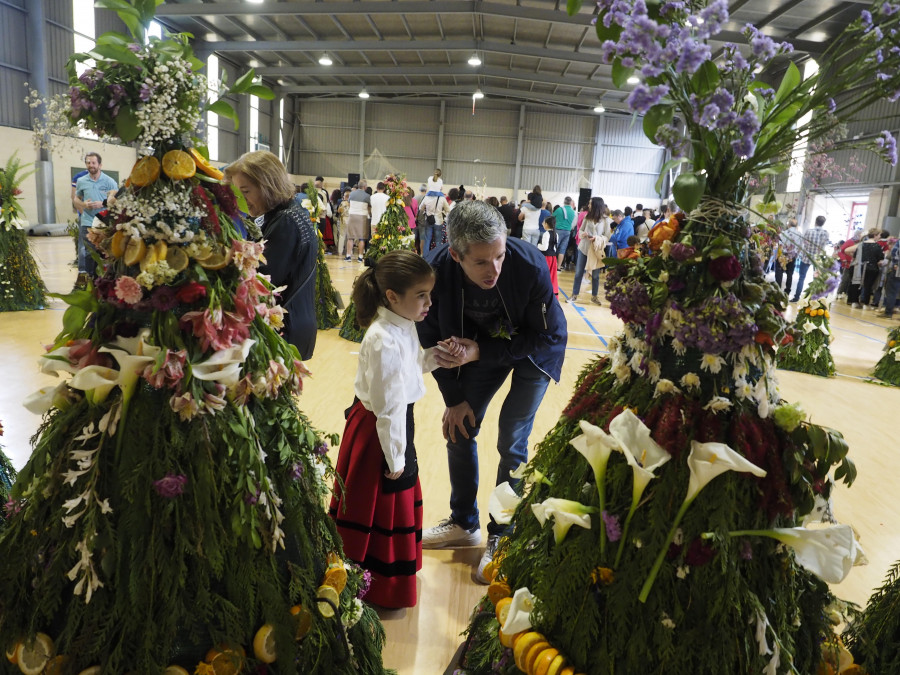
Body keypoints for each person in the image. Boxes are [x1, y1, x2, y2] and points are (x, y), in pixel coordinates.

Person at [416, 200, 567, 583]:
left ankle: (501, 534)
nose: (494, 269)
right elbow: (430, 338)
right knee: (459, 428)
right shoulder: (435, 273)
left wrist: (481, 350)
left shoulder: (530, 266)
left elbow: (543, 334)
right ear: (455, 254)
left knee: (512, 440)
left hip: (534, 350)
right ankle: (463, 522)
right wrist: (453, 399)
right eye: (481, 262)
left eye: (499, 256)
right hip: (475, 352)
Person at [328, 251, 465, 608]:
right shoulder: (382, 339)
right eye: (421, 295)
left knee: (389, 502)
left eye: (429, 294)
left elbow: (409, 369)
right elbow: (388, 408)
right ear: (392, 296)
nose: (428, 303)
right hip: (379, 433)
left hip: (391, 425)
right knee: (383, 501)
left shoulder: (401, 325)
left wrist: (436, 356)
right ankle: (372, 584)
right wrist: (396, 458)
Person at [225, 151, 318, 360]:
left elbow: (262, 280)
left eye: (246, 192)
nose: (242, 201)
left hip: (286, 329)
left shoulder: (285, 222)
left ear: (267, 186)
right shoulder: (290, 214)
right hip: (296, 322)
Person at [72, 152, 118, 286]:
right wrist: (83, 205)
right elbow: (76, 199)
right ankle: (88, 280)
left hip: (104, 221)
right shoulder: (81, 181)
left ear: (100, 165)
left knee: (104, 251)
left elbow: (115, 198)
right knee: (87, 251)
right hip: (87, 221)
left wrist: (102, 203)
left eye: (93, 163)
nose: (90, 165)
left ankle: (104, 280)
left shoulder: (109, 181)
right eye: (88, 163)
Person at [569, 197, 610, 305]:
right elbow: (581, 229)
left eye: (591, 203)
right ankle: (574, 294)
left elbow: (607, 236)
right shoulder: (587, 216)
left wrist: (597, 238)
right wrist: (583, 234)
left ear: (596, 205)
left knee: (595, 275)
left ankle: (594, 296)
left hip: (596, 250)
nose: (589, 205)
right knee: (578, 273)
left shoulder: (605, 220)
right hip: (584, 248)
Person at [791, 215, 830, 301]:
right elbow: (824, 245)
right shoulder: (826, 233)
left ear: (815, 222)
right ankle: (814, 299)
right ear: (823, 223)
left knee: (801, 278)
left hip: (806, 256)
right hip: (818, 259)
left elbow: (803, 243)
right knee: (816, 279)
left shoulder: (809, 231)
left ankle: (796, 297)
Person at [847, 228, 884, 309]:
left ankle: (854, 301)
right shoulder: (877, 246)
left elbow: (855, 255)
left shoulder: (861, 244)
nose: (879, 237)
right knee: (868, 286)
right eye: (879, 235)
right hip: (872, 268)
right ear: (875, 235)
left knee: (856, 284)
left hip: (859, 267)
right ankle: (865, 303)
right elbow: (880, 258)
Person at [418, 188, 451, 253]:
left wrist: (427, 211)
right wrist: (442, 212)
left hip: (429, 220)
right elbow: (448, 210)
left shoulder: (427, 197)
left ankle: (426, 257)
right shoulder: (442, 198)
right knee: (438, 241)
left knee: (427, 240)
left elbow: (420, 208)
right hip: (439, 221)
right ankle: (437, 257)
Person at [775, 218, 802, 297]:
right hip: (792, 256)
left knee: (779, 273)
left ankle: (778, 289)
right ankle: (787, 291)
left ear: (788, 224)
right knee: (790, 274)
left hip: (783, 255)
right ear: (796, 225)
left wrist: (777, 255)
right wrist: (796, 255)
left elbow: (779, 245)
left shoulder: (783, 233)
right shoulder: (799, 234)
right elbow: (800, 247)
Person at [875, 237, 900, 318]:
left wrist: (896, 264)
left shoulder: (898, 244)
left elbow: (894, 253)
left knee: (891, 292)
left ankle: (888, 312)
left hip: (896, 271)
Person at [346, 180, 371, 262]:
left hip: (352, 216)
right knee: (361, 238)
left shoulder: (352, 193)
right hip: (362, 217)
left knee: (350, 237)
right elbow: (369, 208)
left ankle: (348, 256)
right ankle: (360, 257)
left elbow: (349, 204)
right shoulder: (367, 196)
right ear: (365, 187)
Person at [537, 215, 559, 295]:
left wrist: (538, 245)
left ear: (546, 224)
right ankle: (553, 292)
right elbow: (555, 248)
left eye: (543, 222)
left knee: (545, 275)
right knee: (553, 276)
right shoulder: (556, 234)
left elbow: (544, 248)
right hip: (553, 257)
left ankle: (543, 291)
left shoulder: (546, 234)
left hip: (547, 258)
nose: (542, 224)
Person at [552, 197, 576, 270]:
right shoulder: (573, 212)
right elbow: (573, 223)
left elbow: (552, 217)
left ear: (564, 202)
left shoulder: (559, 209)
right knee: (562, 249)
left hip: (558, 230)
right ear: (570, 202)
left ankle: (553, 265)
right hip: (567, 231)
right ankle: (559, 266)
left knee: (554, 247)